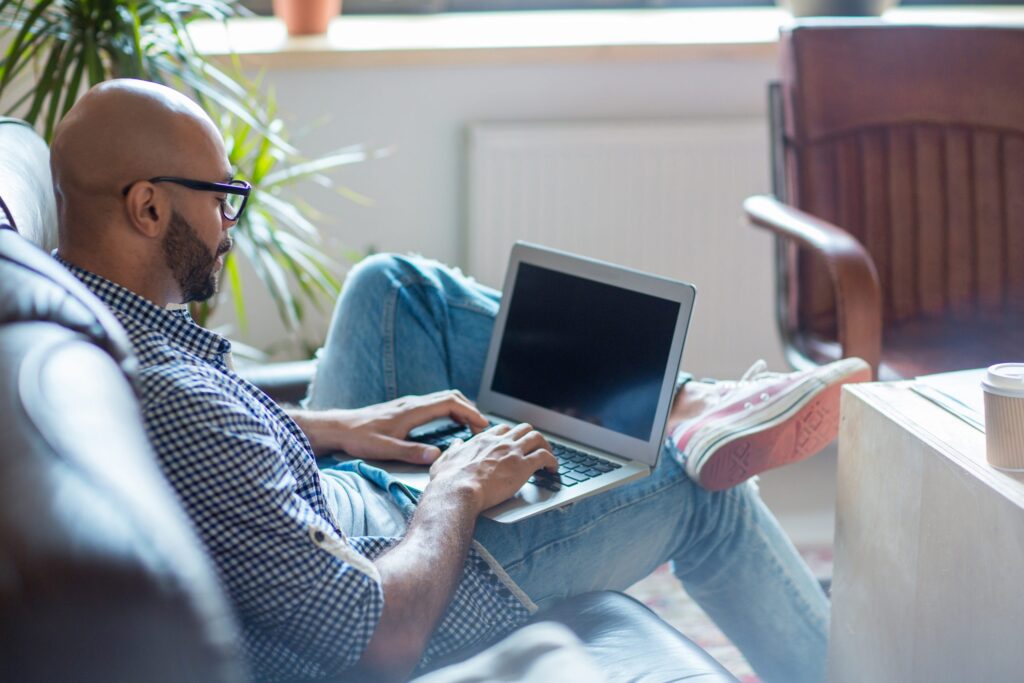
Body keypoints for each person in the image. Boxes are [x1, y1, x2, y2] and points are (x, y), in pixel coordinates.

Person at [50, 79, 869, 683]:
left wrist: (334, 425)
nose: (230, 226)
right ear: (148, 208)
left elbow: (207, 451)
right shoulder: (174, 399)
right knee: (699, 487)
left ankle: (688, 400)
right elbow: (376, 635)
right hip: (407, 576)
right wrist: (457, 487)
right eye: (223, 199)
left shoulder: (86, 316)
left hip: (344, 498)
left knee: (394, 288)